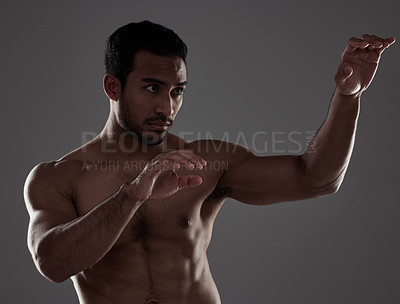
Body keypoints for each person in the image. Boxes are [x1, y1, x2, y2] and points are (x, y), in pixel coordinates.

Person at [23, 20, 395, 304]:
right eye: (152, 88)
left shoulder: (204, 161)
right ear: (113, 87)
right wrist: (135, 192)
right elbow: (53, 264)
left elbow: (316, 179)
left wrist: (349, 95)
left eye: (177, 91)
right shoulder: (58, 178)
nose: (166, 107)